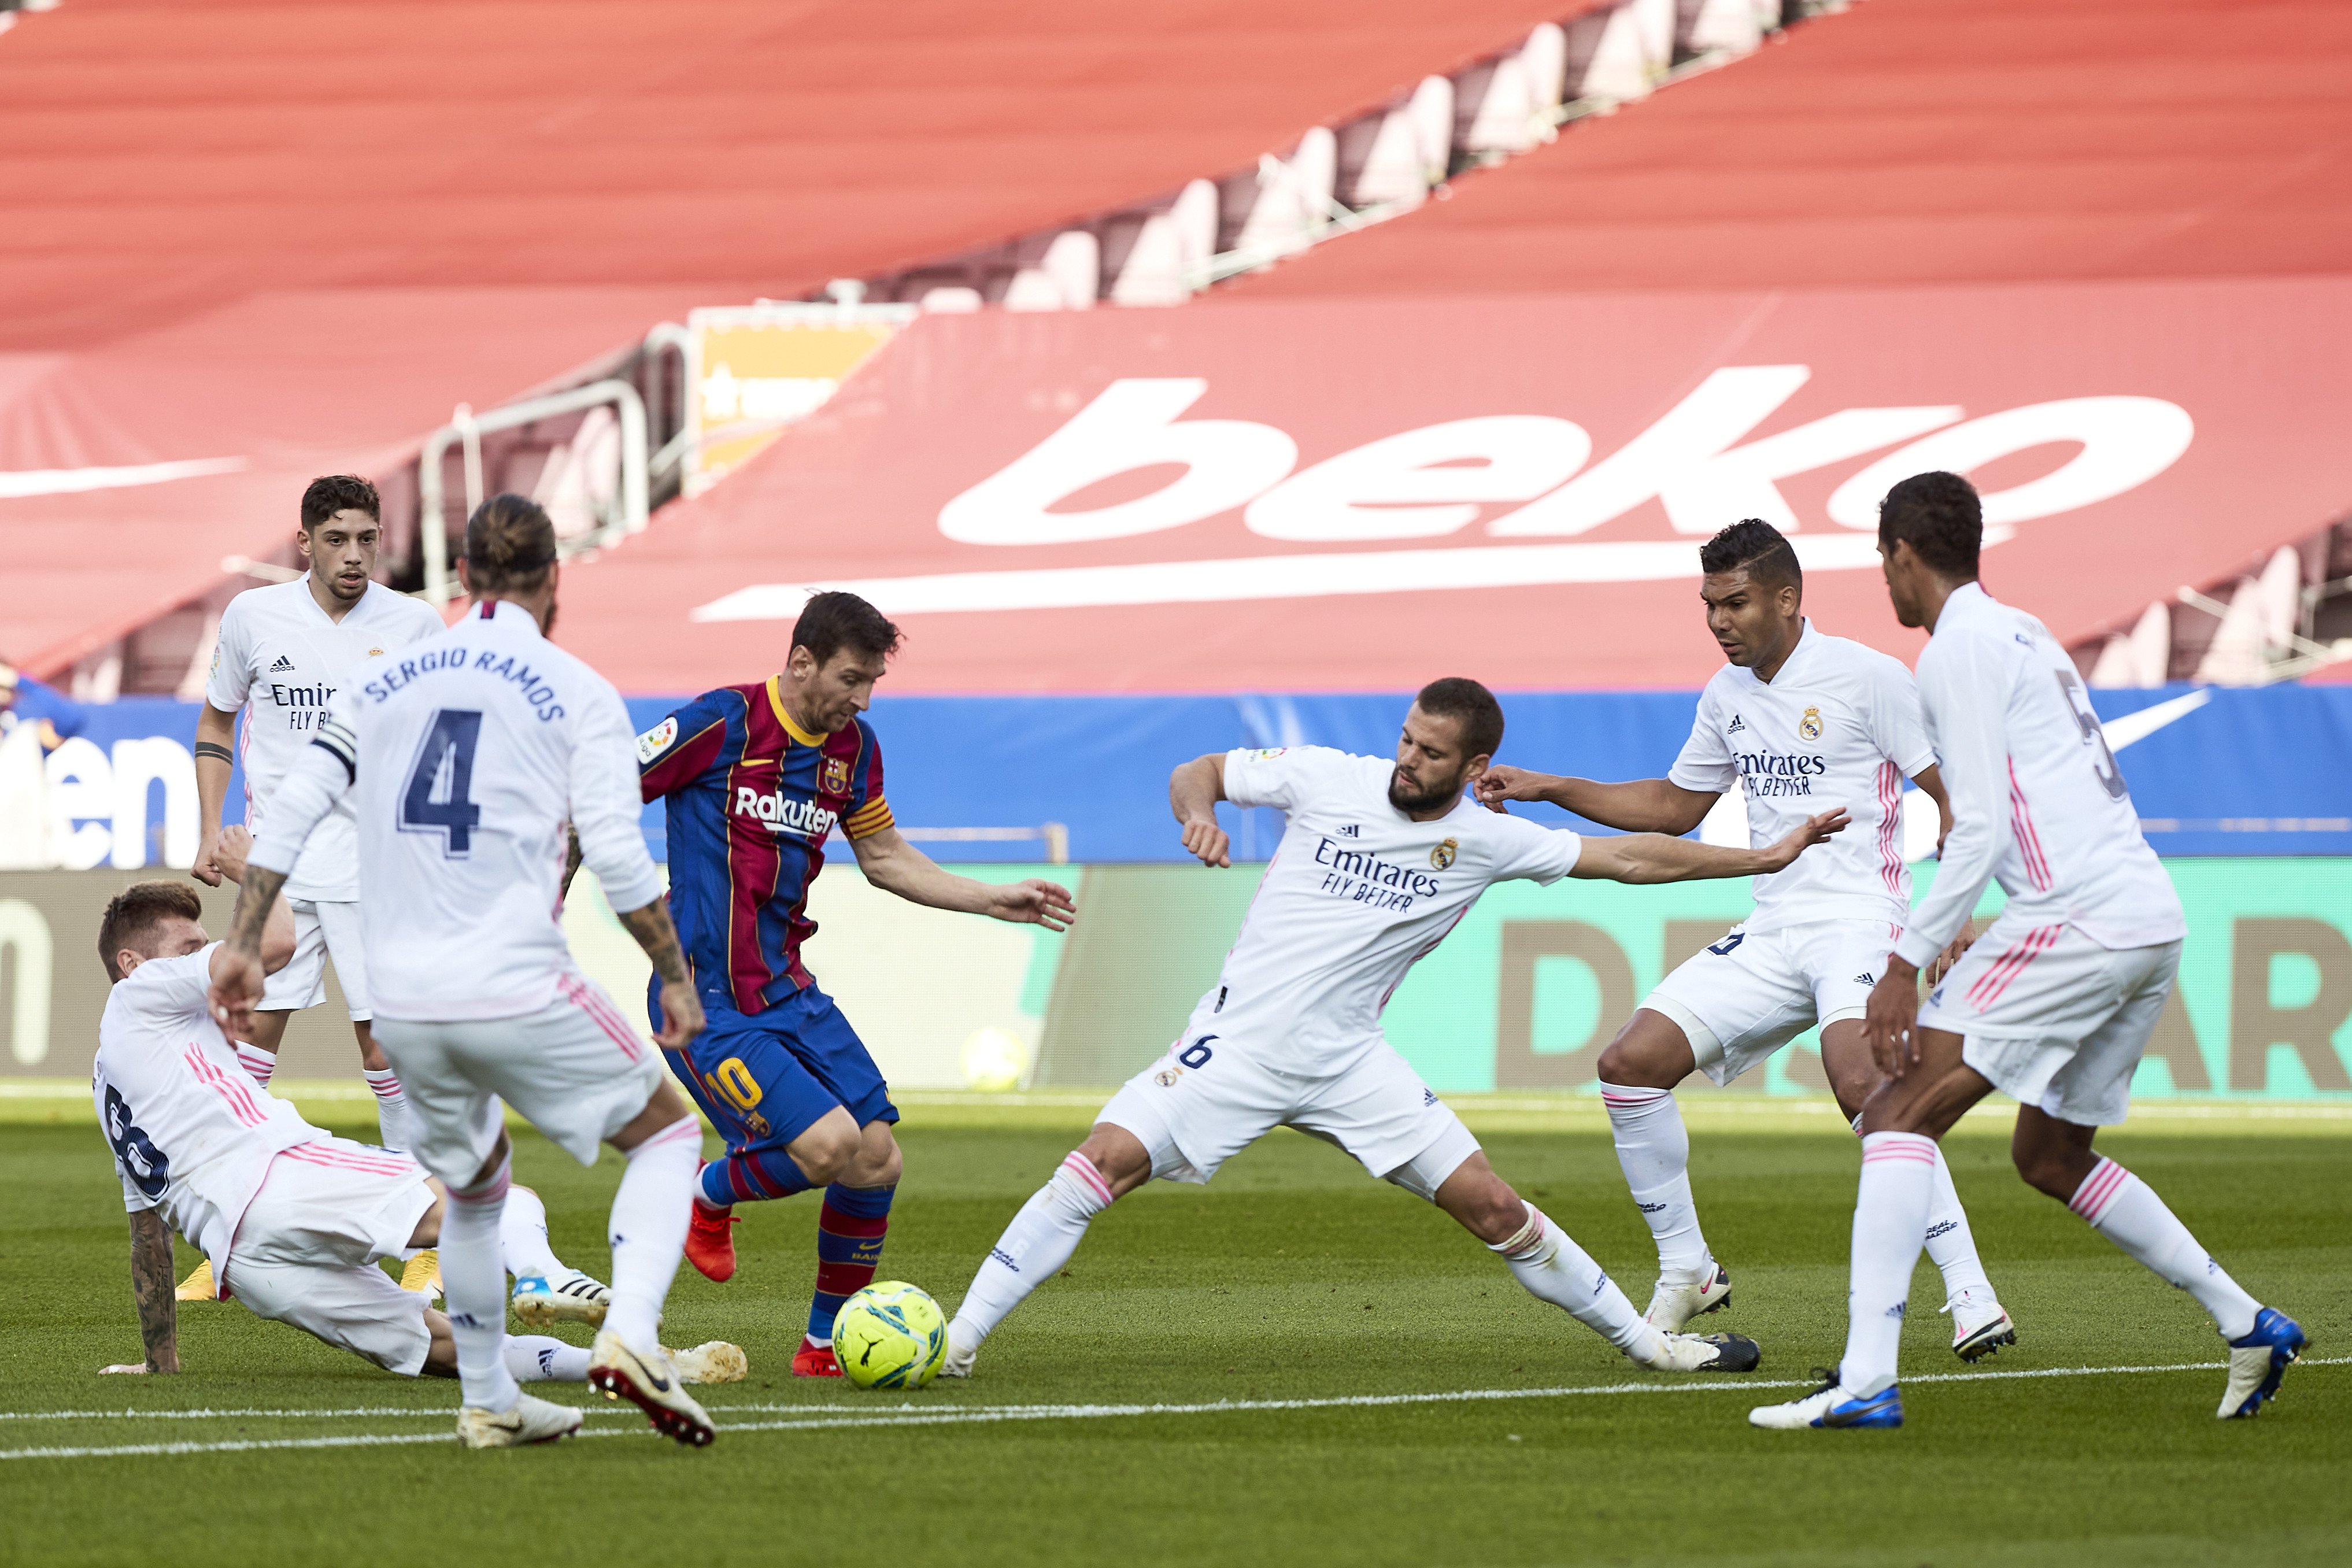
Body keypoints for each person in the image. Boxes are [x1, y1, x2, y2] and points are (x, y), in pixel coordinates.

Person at [944, 678, 1850, 1380]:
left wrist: (1762, 856)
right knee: (1101, 1160)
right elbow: (1203, 770)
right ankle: (959, 1342)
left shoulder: (1491, 840)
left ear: (1472, 765)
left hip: (1348, 1064)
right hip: (1239, 1048)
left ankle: (1657, 1350)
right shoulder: (1327, 776)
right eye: (1408, 740)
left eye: (1430, 753)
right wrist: (1198, 813)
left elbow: (1631, 858)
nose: (1407, 761)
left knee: (1494, 1206)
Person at [1751, 473, 2306, 1432]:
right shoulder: (2023, 632)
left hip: (2074, 917)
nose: (1882, 579)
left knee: (1890, 1117)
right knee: (2047, 1151)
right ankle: (2245, 1321)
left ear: (1899, 555)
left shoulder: (1952, 651)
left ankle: (1865, 1378)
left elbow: (1974, 825)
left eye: (1880, 560)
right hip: (2144, 914)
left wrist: (1901, 961)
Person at [217, 494, 718, 1450]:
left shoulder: (385, 677)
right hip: (517, 976)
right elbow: (616, 854)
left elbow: (293, 806)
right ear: (554, 580)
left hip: (405, 999)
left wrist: (244, 939)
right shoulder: (576, 689)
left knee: (476, 1191)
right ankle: (634, 1336)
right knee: (663, 1134)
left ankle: (490, 1395)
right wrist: (675, 973)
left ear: (464, 581)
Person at [1478, 519, 2011, 1358]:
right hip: (1774, 928)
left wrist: (1949, 916)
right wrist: (1553, 785)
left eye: (1735, 603)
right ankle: (1688, 1267)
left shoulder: (1869, 678)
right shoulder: (1726, 696)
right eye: (1708, 605)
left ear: (1787, 598)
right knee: (1629, 1065)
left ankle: (1970, 1290)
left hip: (1859, 922)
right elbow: (1671, 809)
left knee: (1860, 1084)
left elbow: (1958, 796)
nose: (1719, 621)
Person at [634, 590, 1076, 1378]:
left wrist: (990, 899)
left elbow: (885, 859)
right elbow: (595, 800)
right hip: (705, 998)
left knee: (876, 1159)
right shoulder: (719, 723)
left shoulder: (854, 751)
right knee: (829, 1146)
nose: (863, 699)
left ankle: (821, 1347)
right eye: (851, 678)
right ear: (800, 661)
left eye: (873, 681)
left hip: (789, 992)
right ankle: (706, 1191)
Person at [91, 876, 745, 1392]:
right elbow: (277, 944)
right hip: (278, 1177)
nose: (202, 955)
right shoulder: (139, 994)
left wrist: (161, 1362)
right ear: (132, 963)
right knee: (495, 1200)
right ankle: (545, 1275)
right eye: (188, 947)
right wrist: (249, 866)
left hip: (248, 1260)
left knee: (444, 1349)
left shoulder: (112, 1084)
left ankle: (622, 1365)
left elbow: (147, 1238)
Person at [191, 477, 445, 1142]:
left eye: (366, 539)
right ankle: (233, 1237)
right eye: (336, 540)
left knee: (388, 1055)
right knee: (245, 1052)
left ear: (382, 540)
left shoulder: (416, 626)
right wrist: (209, 829)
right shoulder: (253, 616)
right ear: (305, 543)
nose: (353, 555)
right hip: (279, 867)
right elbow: (218, 723)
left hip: (378, 870)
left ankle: (421, 1238)